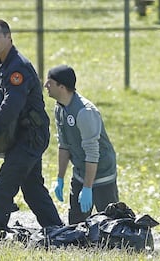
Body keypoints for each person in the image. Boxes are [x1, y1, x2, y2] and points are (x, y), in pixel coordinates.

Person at [0, 19, 63, 236]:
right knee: (33, 189)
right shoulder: (1, 65)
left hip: (30, 135)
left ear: (9, 38)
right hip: (22, 135)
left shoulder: (18, 67)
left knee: (3, 186)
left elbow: (11, 105)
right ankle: (57, 231)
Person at [44, 64, 119, 224]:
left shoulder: (85, 112)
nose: (45, 86)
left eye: (49, 82)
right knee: (76, 224)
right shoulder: (60, 108)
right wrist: (60, 178)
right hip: (80, 171)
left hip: (101, 173)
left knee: (111, 223)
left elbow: (93, 153)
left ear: (61, 87)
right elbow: (64, 145)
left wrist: (87, 188)